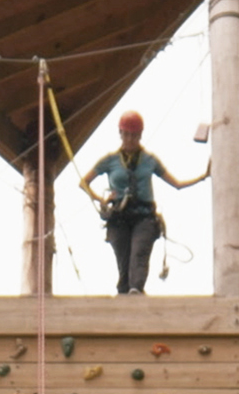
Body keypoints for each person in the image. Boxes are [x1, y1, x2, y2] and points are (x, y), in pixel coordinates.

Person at [76, 109, 206, 295]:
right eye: (126, 134)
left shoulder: (149, 160)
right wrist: (102, 200)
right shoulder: (110, 160)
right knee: (124, 264)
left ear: (140, 135)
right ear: (120, 134)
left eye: (134, 135)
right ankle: (124, 294)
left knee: (139, 256)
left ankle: (136, 290)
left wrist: (202, 177)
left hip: (144, 217)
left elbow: (176, 184)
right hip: (119, 217)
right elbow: (84, 183)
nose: (130, 139)